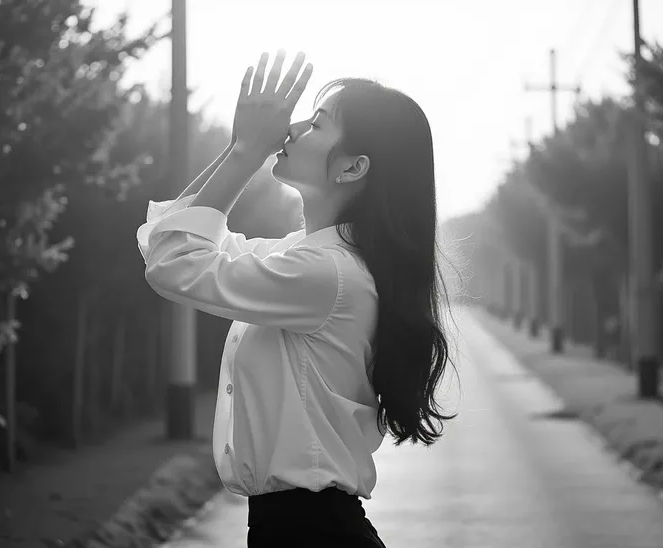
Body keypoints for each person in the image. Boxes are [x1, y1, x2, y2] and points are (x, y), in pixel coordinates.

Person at [137, 50, 459, 548]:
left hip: (309, 532)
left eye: (317, 123)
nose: (291, 128)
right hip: (304, 529)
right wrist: (237, 149)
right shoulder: (307, 258)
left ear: (352, 167)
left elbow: (175, 261)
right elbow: (169, 238)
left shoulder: (326, 273)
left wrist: (248, 153)